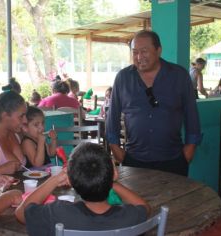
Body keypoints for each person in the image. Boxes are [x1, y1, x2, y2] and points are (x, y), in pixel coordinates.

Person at [106, 30, 202, 176]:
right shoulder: (123, 78)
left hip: (173, 160)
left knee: (175, 199)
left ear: (158, 50)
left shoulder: (179, 76)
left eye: (144, 51)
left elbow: (192, 115)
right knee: (135, 199)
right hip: (134, 161)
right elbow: (112, 116)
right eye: (135, 52)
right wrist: (116, 149)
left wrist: (189, 151)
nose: (139, 57)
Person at [15, 143, 149, 236]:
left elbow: (21, 213)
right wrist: (110, 180)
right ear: (114, 174)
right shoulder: (129, 217)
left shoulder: (58, 214)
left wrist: (54, 179)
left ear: (71, 182)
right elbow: (144, 207)